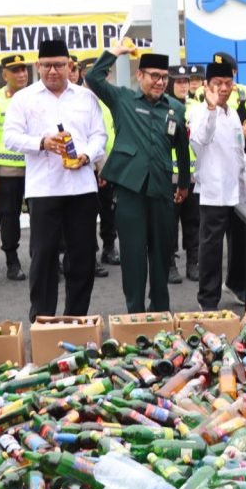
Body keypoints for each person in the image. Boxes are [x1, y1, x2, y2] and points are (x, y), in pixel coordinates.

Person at [3, 39, 106, 321]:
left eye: (59, 65)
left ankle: (76, 318)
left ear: (69, 66)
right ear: (38, 67)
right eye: (46, 66)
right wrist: (42, 142)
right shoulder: (24, 98)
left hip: (81, 187)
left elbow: (100, 135)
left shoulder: (86, 98)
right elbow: (9, 137)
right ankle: (43, 319)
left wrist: (86, 156)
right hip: (44, 188)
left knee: (82, 257)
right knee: (44, 257)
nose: (52, 71)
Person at [85, 44, 190, 313]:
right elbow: (94, 78)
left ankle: (160, 311)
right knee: (133, 256)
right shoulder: (122, 100)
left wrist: (184, 184)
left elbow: (181, 147)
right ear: (140, 76)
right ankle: (135, 312)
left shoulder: (175, 108)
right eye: (153, 75)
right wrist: (114, 52)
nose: (159, 81)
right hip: (131, 190)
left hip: (162, 190)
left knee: (161, 253)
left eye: (163, 77)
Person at [191, 55, 246, 311]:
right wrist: (212, 109)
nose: (223, 88)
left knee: (241, 244)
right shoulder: (200, 113)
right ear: (207, 85)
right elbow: (200, 140)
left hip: (236, 191)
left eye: (228, 82)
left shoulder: (233, 114)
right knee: (211, 249)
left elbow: (240, 150)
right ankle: (208, 299)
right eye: (217, 83)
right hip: (213, 191)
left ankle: (236, 285)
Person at [0, 55, 30, 280]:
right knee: (9, 217)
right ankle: (12, 261)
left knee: (44, 217)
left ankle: (44, 261)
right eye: (15, 71)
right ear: (4, 75)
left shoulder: (37, 96)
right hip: (7, 171)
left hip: (36, 169)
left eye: (23, 70)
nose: (21, 74)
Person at [80, 56, 117, 277]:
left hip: (111, 164)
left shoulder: (109, 99)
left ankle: (109, 248)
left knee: (109, 211)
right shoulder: (80, 99)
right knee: (87, 215)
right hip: (88, 165)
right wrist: (98, 165)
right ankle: (90, 257)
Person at [168, 64, 202, 283]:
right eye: (178, 82)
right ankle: (170, 264)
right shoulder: (165, 106)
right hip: (170, 174)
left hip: (194, 174)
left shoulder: (197, 107)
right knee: (169, 222)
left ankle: (193, 262)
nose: (182, 86)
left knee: (194, 221)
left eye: (185, 81)